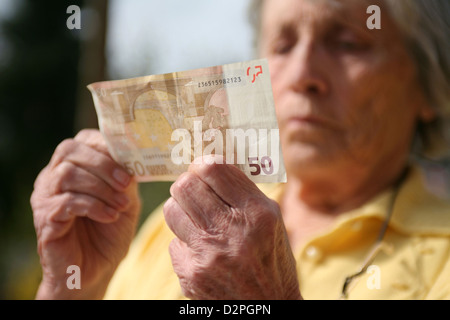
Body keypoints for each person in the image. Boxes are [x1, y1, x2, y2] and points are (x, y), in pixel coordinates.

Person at [31, 0, 450, 300]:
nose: (302, 74)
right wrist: (77, 286)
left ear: (430, 82)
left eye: (347, 43)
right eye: (283, 46)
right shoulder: (176, 223)